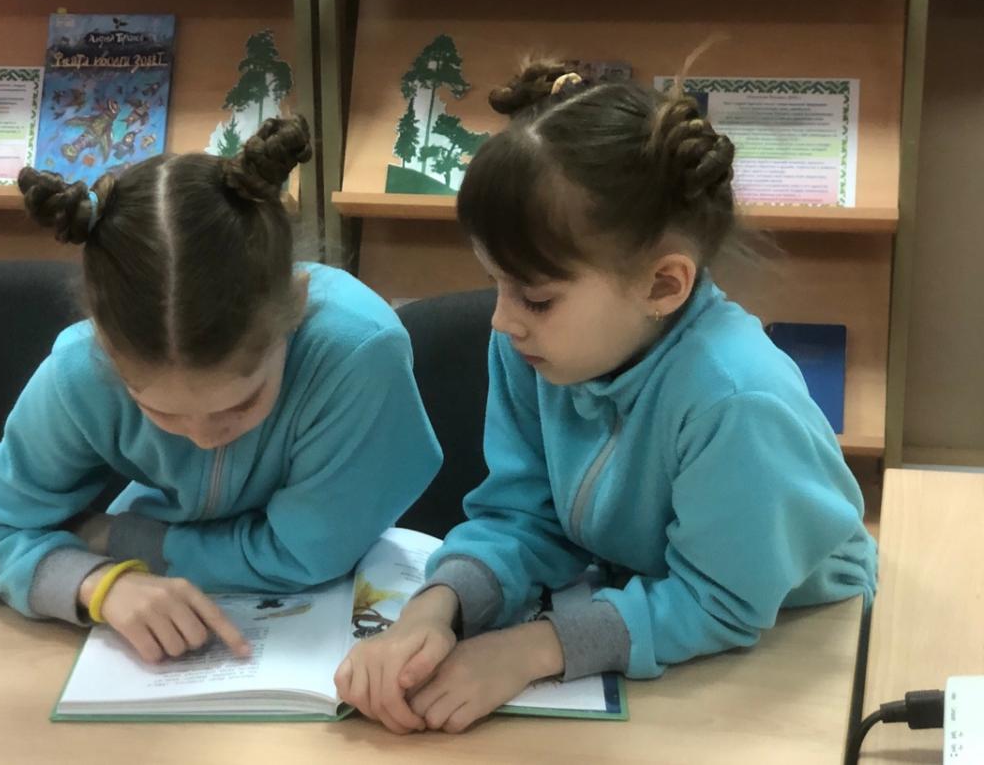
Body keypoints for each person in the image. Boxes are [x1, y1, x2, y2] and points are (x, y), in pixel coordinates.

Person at [336, 64, 876, 734]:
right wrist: (436, 607)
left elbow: (718, 602)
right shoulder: (535, 350)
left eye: (536, 297)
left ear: (662, 286)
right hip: (651, 606)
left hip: (794, 635)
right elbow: (524, 517)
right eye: (496, 283)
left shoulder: (736, 401)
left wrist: (531, 650)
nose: (502, 320)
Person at [0, 116, 442, 664]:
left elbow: (305, 556)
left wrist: (114, 537)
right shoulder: (81, 369)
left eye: (241, 403)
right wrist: (101, 584)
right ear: (105, 346)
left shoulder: (357, 353)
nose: (205, 439)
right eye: (160, 412)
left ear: (296, 307)